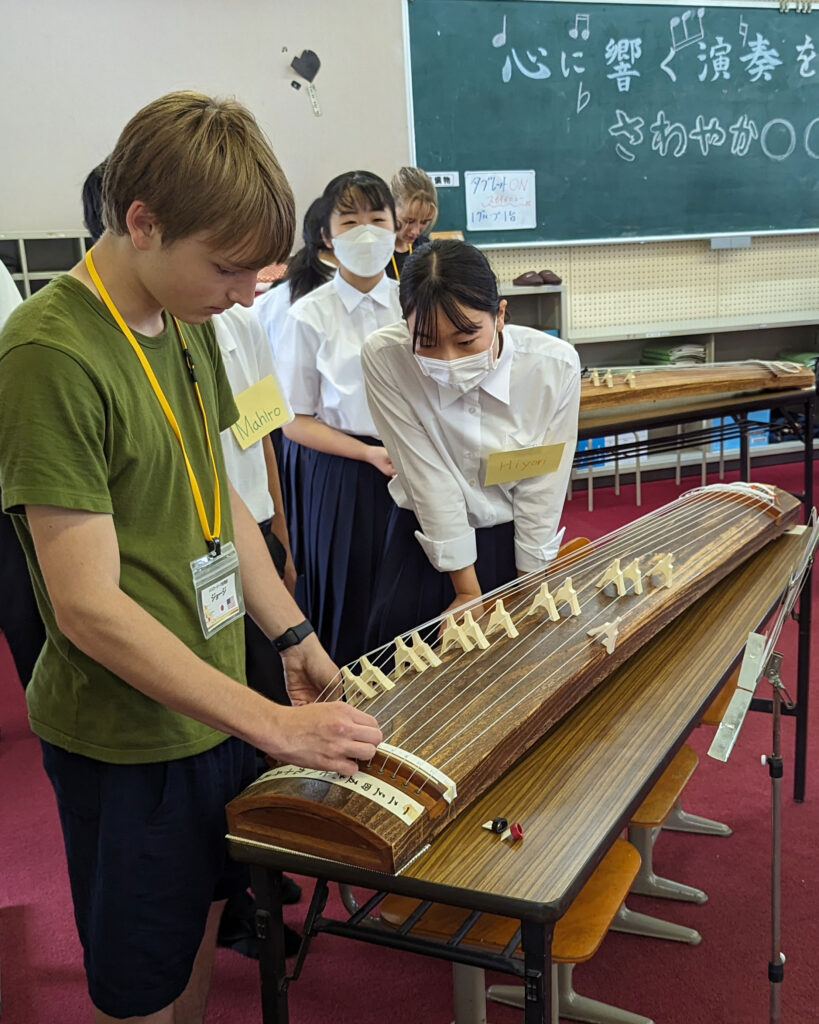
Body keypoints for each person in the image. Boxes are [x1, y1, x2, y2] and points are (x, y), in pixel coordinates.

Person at [0, 91, 381, 1024]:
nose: (246, 289)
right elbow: (87, 607)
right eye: (226, 267)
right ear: (141, 222)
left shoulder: (194, 321)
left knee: (207, 921)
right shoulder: (49, 354)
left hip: (215, 702)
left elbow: (222, 506)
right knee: (142, 973)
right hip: (129, 735)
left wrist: (289, 635)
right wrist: (272, 724)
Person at [362, 240, 581, 647]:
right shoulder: (386, 356)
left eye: (465, 341)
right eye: (426, 342)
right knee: (407, 675)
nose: (447, 359)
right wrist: (466, 590)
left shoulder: (553, 367)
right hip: (426, 543)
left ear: (500, 314)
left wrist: (529, 582)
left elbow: (542, 484)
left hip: (514, 540)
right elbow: (427, 478)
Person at [276, 170, 402, 667]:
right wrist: (368, 453)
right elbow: (295, 421)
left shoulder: (411, 302)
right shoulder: (309, 315)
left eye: (377, 218)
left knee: (412, 590)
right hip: (344, 471)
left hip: (412, 461)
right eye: (350, 222)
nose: (366, 232)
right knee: (349, 597)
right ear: (327, 237)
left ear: (397, 228)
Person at [386, 165, 438, 281]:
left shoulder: (428, 251)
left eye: (424, 222)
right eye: (409, 221)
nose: (415, 231)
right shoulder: (374, 252)